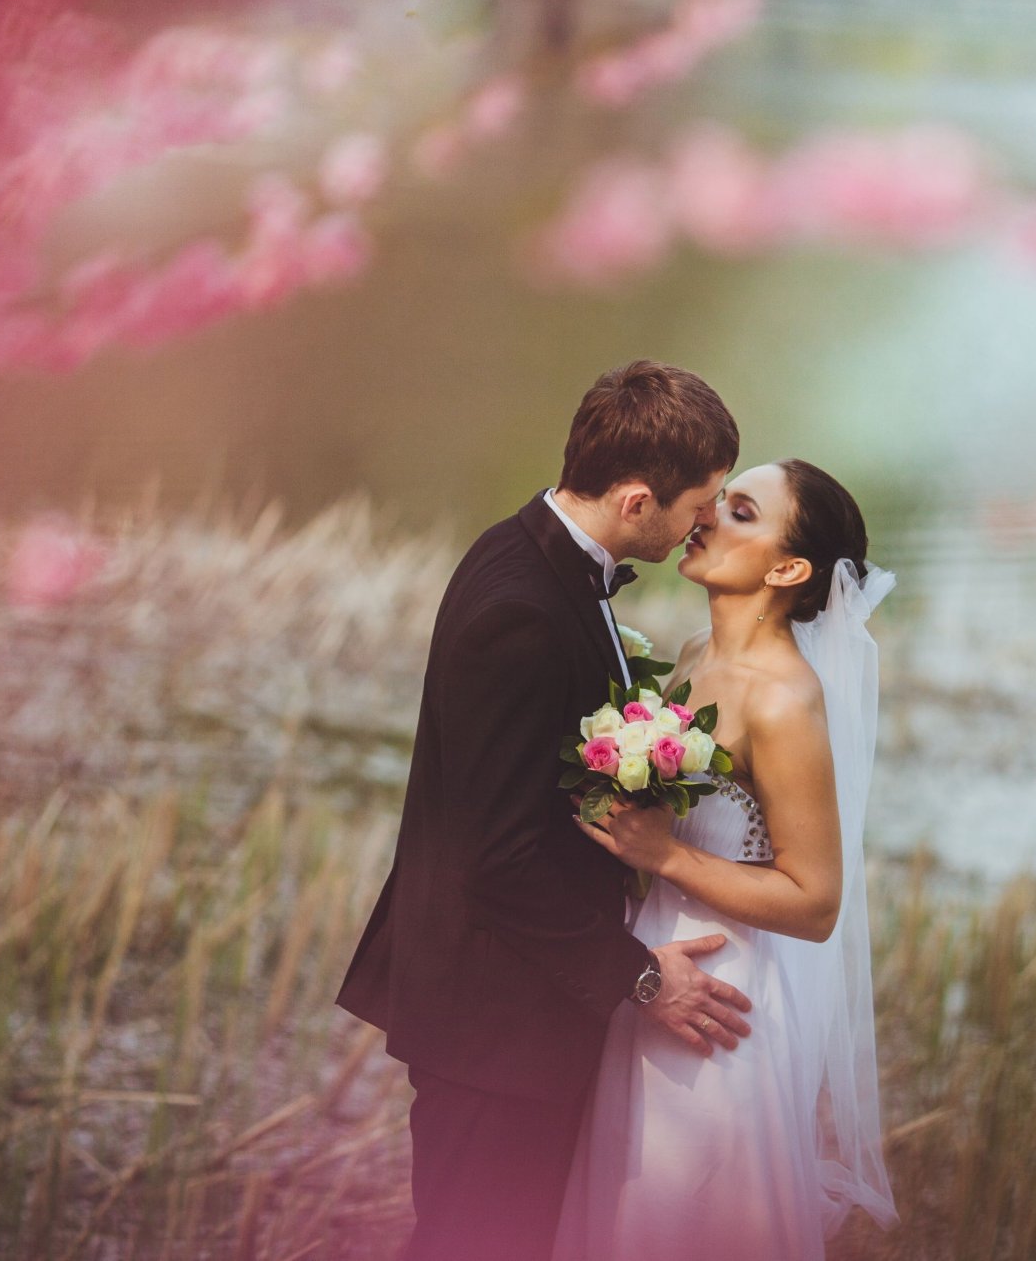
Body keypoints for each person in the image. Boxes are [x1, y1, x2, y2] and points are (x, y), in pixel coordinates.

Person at [335, 360, 757, 1261]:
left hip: (516, 1005)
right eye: (702, 501)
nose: (707, 521)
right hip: (495, 1019)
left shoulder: (528, 551)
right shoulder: (522, 611)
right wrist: (643, 976)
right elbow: (499, 857)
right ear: (639, 500)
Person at [551, 458, 901, 1260]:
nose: (705, 516)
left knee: (684, 1211)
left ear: (788, 568)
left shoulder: (785, 699)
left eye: (740, 510)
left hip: (720, 996)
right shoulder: (689, 653)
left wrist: (664, 855)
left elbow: (815, 903)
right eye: (716, 500)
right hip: (649, 966)